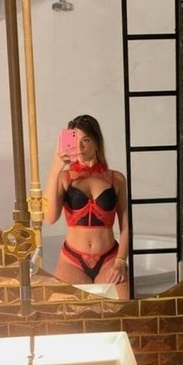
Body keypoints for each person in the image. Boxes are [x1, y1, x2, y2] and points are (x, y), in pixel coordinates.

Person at [44, 114, 129, 299]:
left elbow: (126, 226)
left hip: (109, 258)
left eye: (86, 140)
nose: (80, 147)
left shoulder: (116, 179)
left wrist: (121, 262)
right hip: (72, 261)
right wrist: (55, 167)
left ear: (97, 142)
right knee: (66, 310)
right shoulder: (64, 178)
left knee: (122, 308)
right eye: (75, 141)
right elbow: (49, 218)